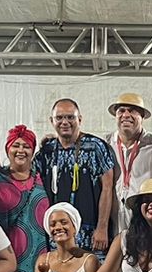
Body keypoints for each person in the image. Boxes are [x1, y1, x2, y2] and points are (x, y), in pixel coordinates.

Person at [37, 98, 115, 257]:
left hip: (91, 234)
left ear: (79, 119)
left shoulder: (96, 146)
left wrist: (102, 227)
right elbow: (28, 175)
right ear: (52, 121)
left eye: (70, 117)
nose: (65, 122)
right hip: (57, 235)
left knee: (93, 271)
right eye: (59, 118)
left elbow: (108, 188)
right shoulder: (47, 150)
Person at [0, 124, 50, 272]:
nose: (21, 150)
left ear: (33, 151)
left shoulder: (43, 177)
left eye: (26, 146)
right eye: (16, 145)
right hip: (8, 253)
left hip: (40, 253)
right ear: (7, 149)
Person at [107, 92, 152, 236]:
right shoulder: (105, 144)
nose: (126, 115)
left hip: (145, 224)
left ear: (142, 116)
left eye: (132, 111)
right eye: (121, 111)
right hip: (112, 222)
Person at [33, 202, 100, 272]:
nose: (58, 227)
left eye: (64, 222)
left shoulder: (89, 261)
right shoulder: (44, 259)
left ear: (74, 227)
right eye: (53, 224)